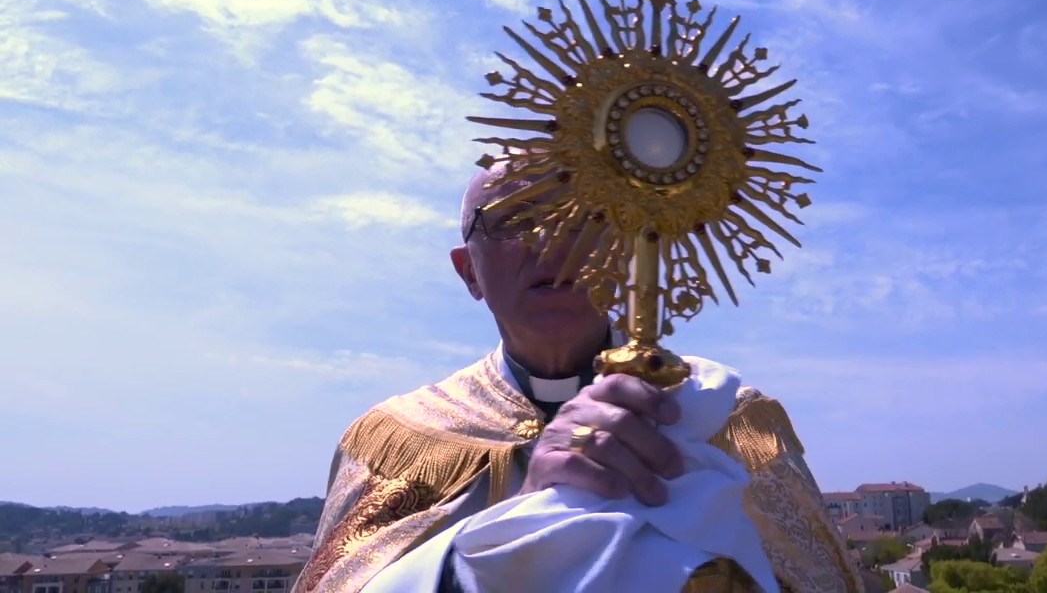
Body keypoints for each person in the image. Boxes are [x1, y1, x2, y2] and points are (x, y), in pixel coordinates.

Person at [293, 163, 862, 593]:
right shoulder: (398, 441)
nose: (551, 242)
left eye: (583, 218)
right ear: (469, 272)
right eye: (513, 220)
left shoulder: (728, 419)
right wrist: (519, 529)